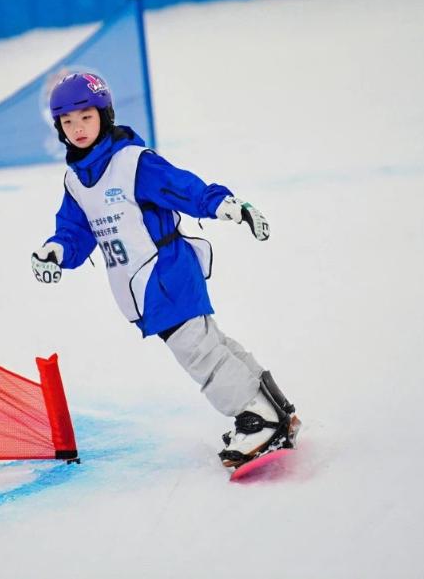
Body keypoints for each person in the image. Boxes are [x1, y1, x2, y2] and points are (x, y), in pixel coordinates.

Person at [30, 72, 300, 469]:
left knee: (197, 351)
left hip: (166, 273)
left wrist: (227, 205)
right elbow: (75, 230)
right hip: (141, 285)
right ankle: (273, 406)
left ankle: (257, 418)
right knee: (211, 342)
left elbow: (184, 188)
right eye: (67, 122)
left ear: (104, 115)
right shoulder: (76, 180)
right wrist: (55, 250)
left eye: (85, 117)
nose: (77, 129)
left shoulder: (132, 162)